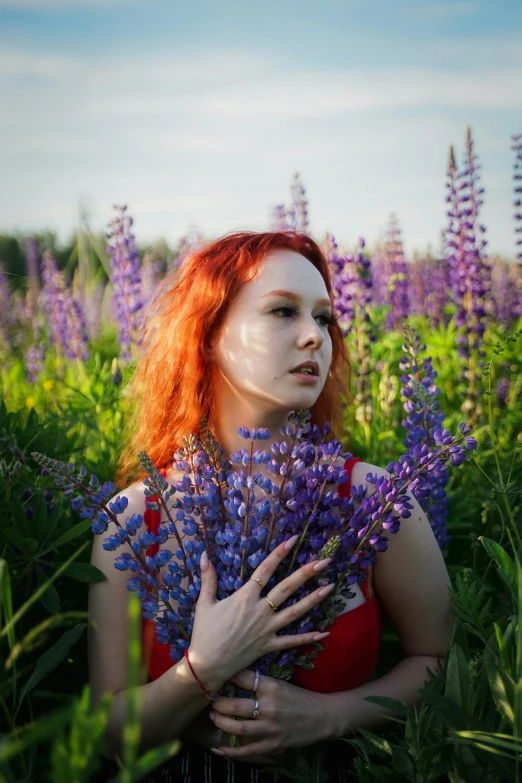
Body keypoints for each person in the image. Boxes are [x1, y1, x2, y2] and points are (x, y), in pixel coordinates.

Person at [88, 231, 453, 781]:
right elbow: (107, 733)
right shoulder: (135, 517)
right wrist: (202, 670)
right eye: (283, 311)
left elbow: (441, 664)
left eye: (325, 318)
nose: (314, 337)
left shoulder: (373, 501)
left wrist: (329, 717)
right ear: (209, 334)